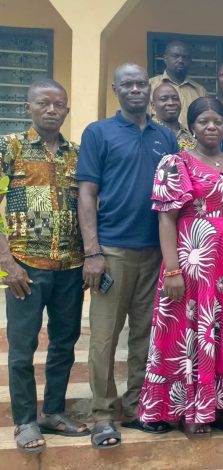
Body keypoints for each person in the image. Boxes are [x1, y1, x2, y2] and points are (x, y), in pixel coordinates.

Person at [138, 96, 223, 438]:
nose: (211, 127)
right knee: (193, 334)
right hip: (194, 263)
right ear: (192, 126)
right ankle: (193, 409)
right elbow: (166, 219)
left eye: (217, 121)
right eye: (204, 121)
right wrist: (172, 270)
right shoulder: (175, 163)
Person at [77, 63, 179, 449]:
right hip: (113, 251)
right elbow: (87, 194)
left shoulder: (165, 137)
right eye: (128, 84)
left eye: (140, 84)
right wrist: (92, 251)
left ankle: (138, 406)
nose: (135, 89)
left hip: (155, 253)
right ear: (116, 90)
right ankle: (103, 414)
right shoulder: (98, 133)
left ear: (149, 91)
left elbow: (175, 198)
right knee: (104, 337)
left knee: (146, 336)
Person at [2, 79, 89, 454]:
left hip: (70, 266)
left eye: (59, 104)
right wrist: (7, 264)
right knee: (22, 348)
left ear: (67, 110)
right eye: (43, 103)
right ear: (28, 108)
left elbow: (88, 205)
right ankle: (24, 420)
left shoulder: (78, 154)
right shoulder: (9, 147)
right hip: (24, 267)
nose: (52, 110)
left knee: (64, 344)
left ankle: (53, 412)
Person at [149, 41, 207, 129]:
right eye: (175, 56)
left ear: (190, 61)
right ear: (165, 59)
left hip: (190, 138)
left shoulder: (200, 91)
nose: (180, 60)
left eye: (185, 57)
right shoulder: (150, 86)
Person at [150, 83, 195, 152]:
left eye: (175, 99)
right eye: (164, 99)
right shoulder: (147, 132)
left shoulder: (189, 134)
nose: (171, 103)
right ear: (153, 106)